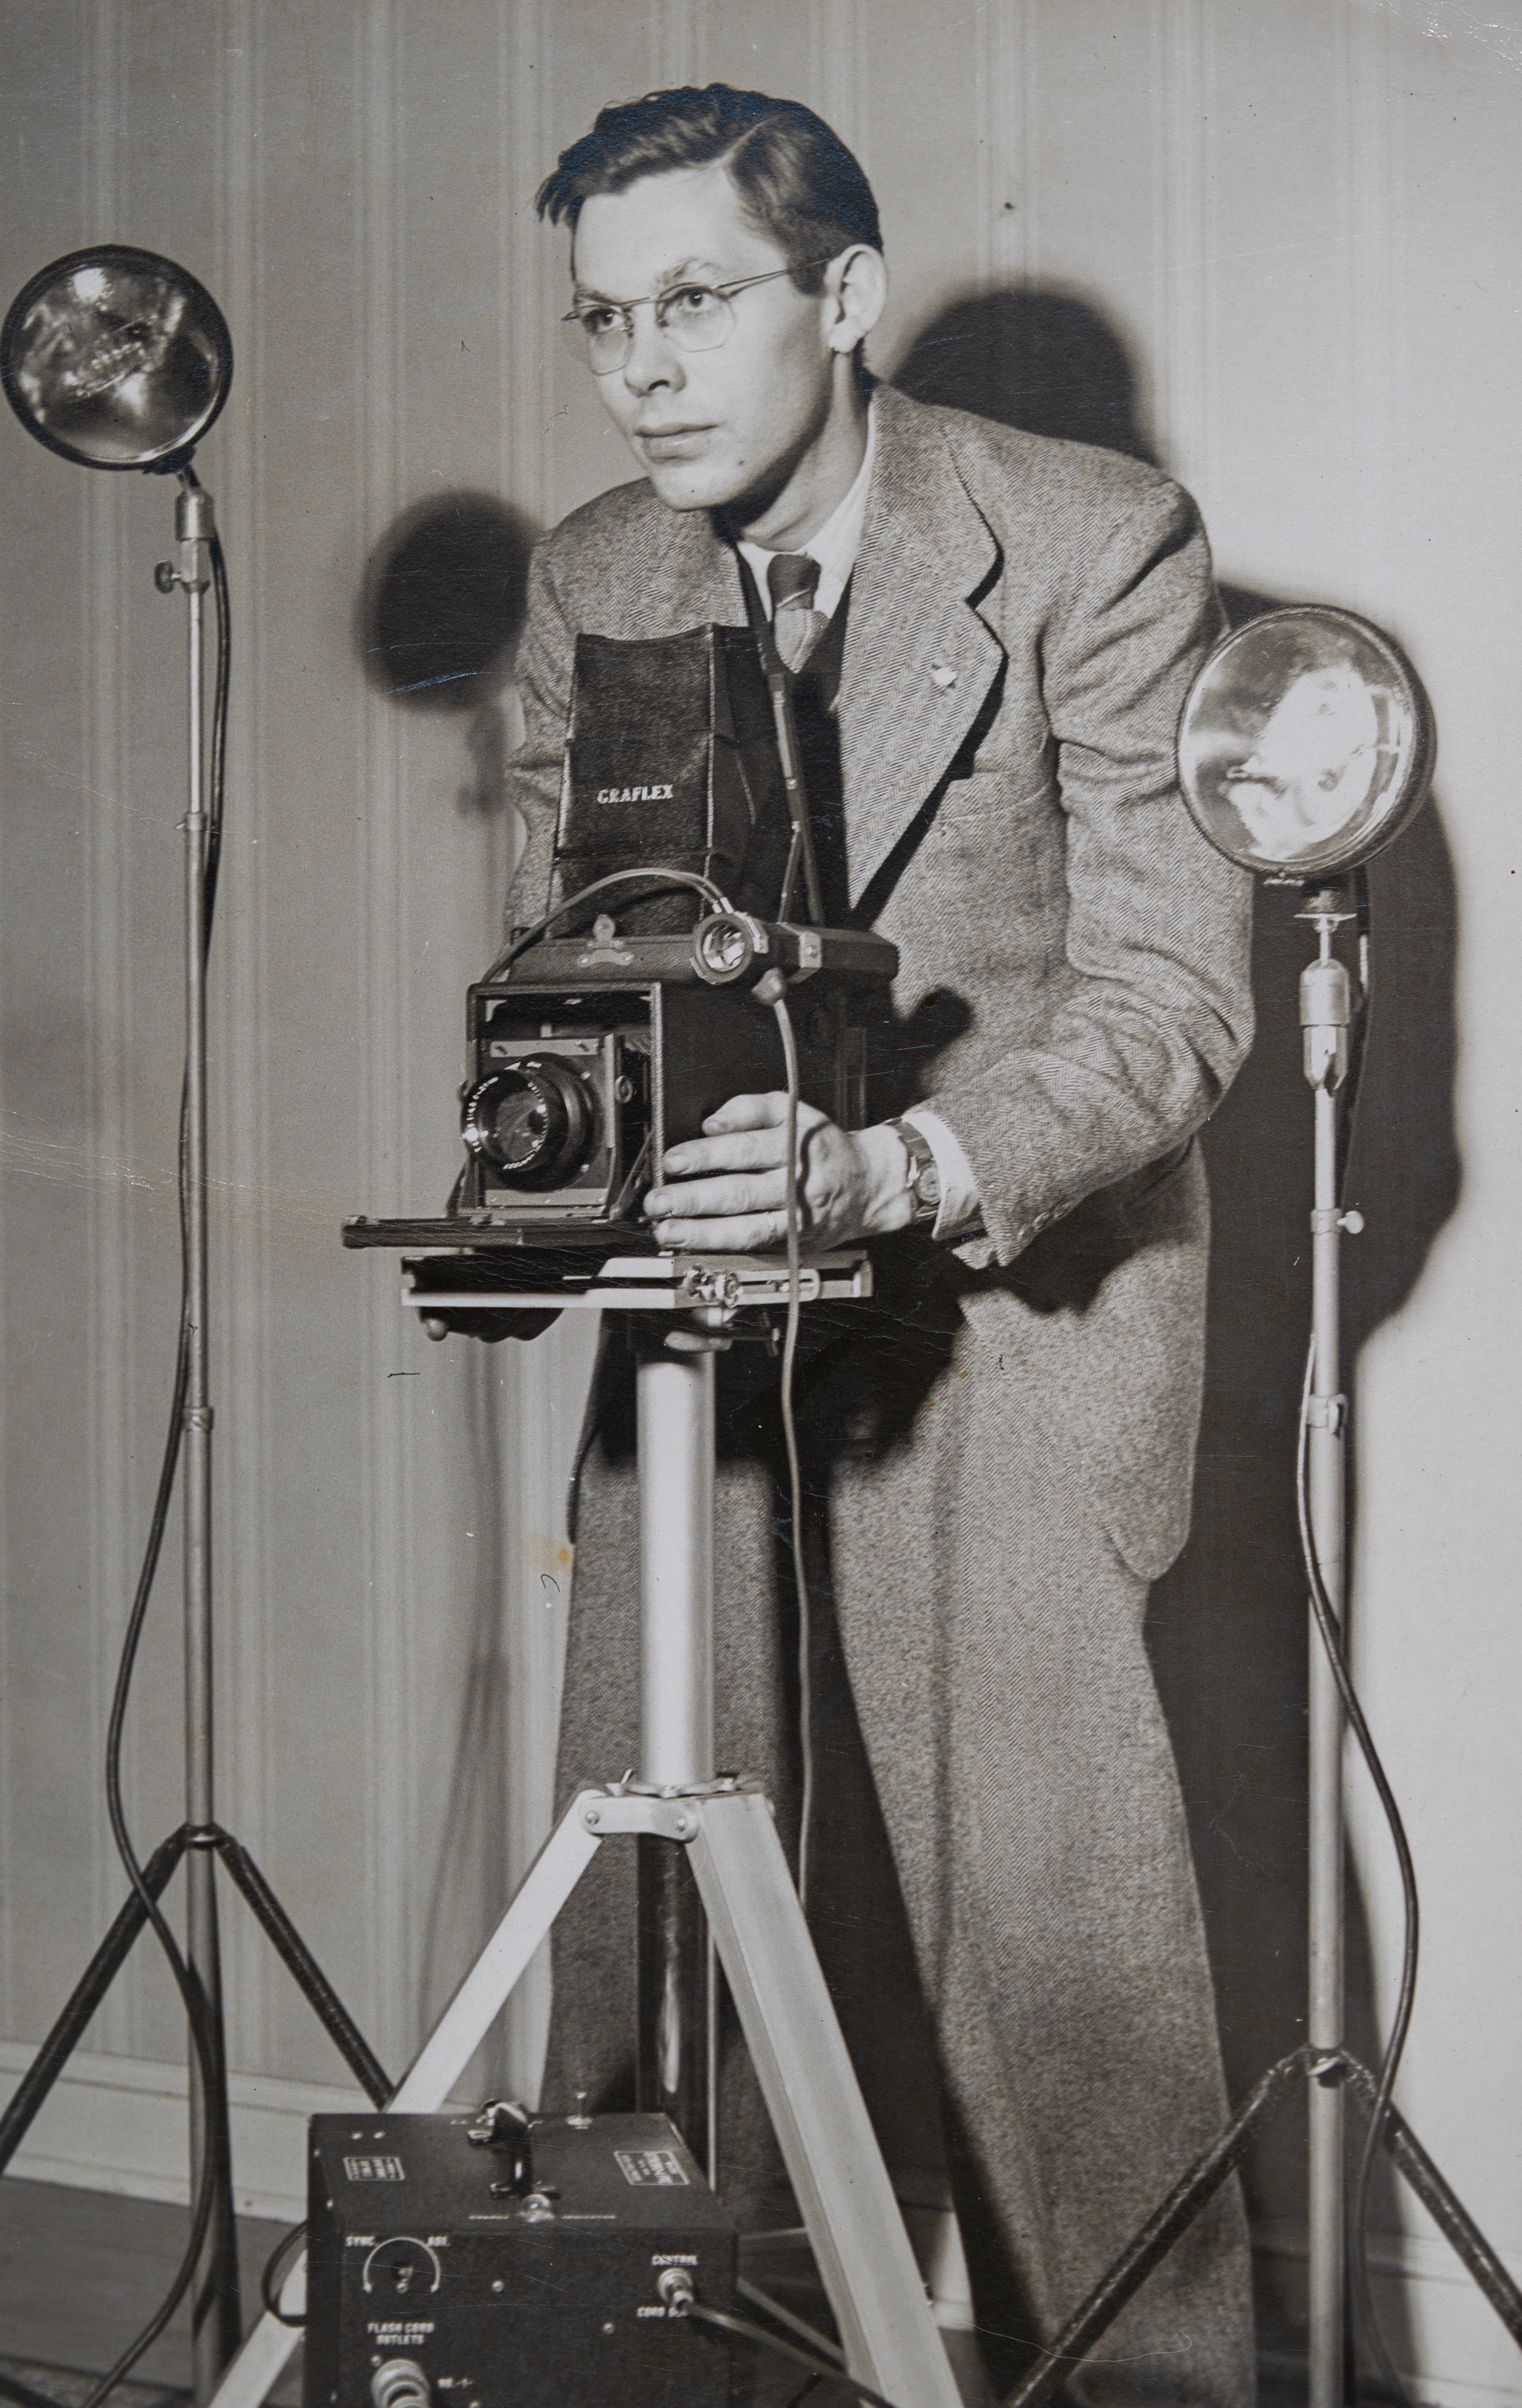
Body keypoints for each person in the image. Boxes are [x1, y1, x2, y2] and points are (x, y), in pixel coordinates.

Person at [504, 84, 1257, 2408]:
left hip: (1012, 1298)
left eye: (697, 302)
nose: (644, 365)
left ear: (840, 298)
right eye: (606, 318)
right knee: (647, 1923)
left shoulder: (1093, 539)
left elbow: (1173, 1004)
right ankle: (631, 2375)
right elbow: (573, 975)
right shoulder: (592, 579)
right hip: (703, 1318)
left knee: (1063, 1970)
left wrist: (896, 1169)